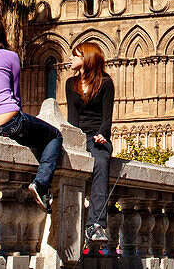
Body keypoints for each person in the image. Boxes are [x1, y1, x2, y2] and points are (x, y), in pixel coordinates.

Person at [0, 17, 62, 211]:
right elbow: (16, 96)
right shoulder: (11, 57)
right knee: (54, 135)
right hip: (8, 121)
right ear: (1, 36)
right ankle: (41, 184)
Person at [66, 42, 115, 244]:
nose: (70, 59)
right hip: (79, 136)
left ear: (86, 59)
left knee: (101, 163)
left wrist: (102, 134)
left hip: (98, 137)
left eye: (75, 55)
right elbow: (72, 118)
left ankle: (96, 224)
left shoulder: (106, 83)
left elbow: (107, 117)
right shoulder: (71, 84)